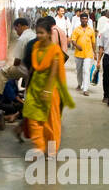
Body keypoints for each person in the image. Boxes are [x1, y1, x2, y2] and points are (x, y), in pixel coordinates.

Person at [21, 16, 74, 157]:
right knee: (32, 117)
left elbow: (54, 72)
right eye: (37, 32)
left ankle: (51, 149)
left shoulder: (55, 50)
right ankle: (39, 146)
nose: (38, 36)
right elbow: (32, 67)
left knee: (50, 123)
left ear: (49, 34)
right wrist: (27, 84)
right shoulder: (36, 47)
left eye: (41, 33)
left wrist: (47, 90)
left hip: (50, 90)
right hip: (35, 86)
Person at [71, 12, 96, 96]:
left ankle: (85, 89)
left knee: (86, 70)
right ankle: (79, 83)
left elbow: (93, 42)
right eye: (83, 19)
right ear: (80, 19)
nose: (84, 20)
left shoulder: (91, 30)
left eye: (86, 19)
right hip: (78, 53)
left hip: (88, 54)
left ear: (87, 20)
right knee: (79, 71)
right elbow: (73, 40)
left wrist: (94, 52)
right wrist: (77, 45)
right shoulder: (77, 29)